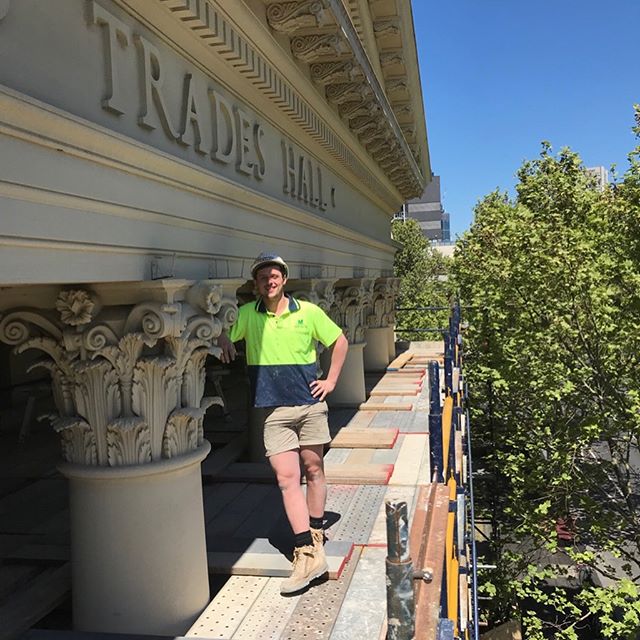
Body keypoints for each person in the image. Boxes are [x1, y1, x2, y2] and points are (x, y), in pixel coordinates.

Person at [218, 252, 348, 595]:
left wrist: (331, 382)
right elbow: (224, 333)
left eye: (274, 276)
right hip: (274, 412)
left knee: (314, 467)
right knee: (287, 478)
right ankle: (305, 549)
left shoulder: (308, 312)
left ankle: (315, 533)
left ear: (284, 279)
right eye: (263, 278)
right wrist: (220, 337)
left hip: (310, 405)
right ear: (256, 285)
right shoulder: (248, 315)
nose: (269, 281)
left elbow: (340, 341)